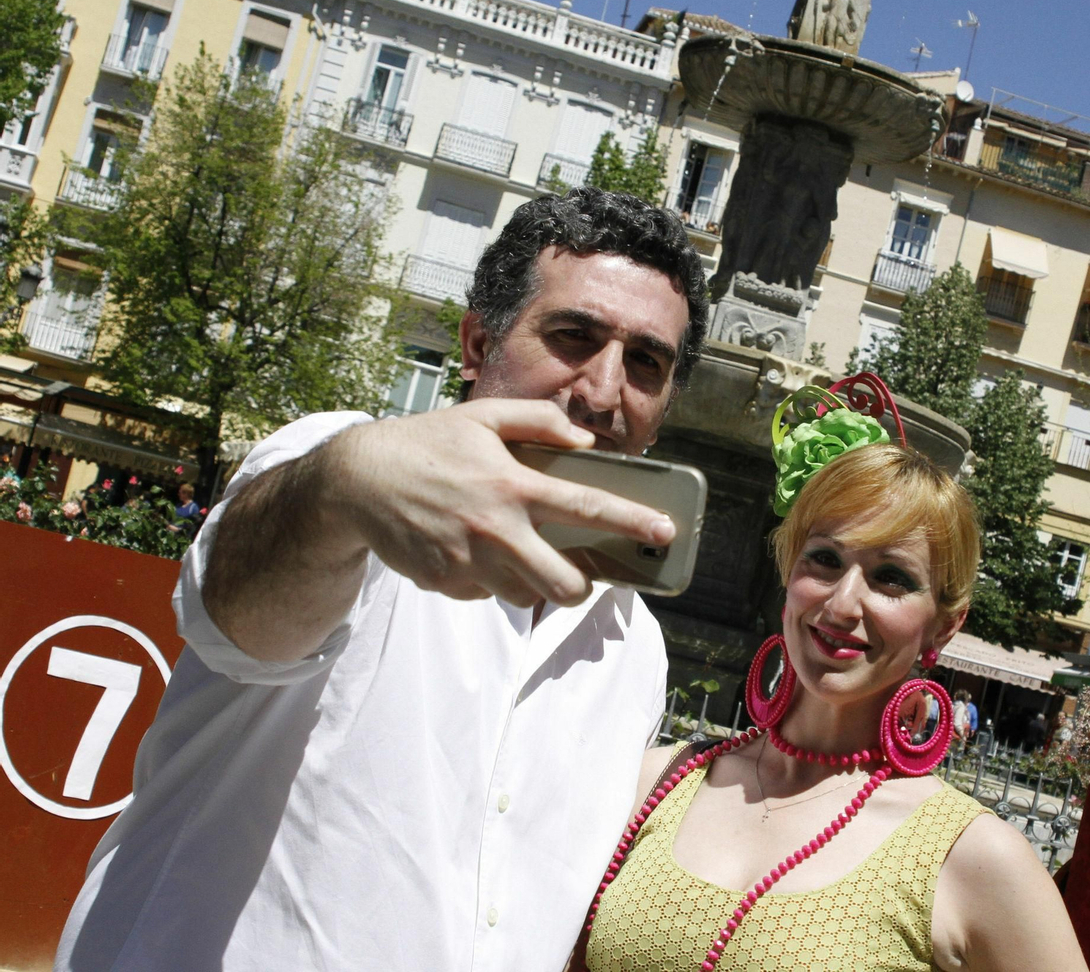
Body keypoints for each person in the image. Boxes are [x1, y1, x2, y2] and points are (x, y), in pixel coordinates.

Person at [55, 187, 709, 972]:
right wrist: (343, 488)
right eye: (574, 336)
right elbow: (232, 618)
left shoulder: (635, 646)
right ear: (475, 346)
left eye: (645, 362)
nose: (604, 391)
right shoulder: (344, 464)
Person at [581, 400, 1087, 971]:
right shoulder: (655, 783)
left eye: (890, 577)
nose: (843, 604)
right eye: (824, 559)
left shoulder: (973, 858)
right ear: (788, 573)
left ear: (944, 625)